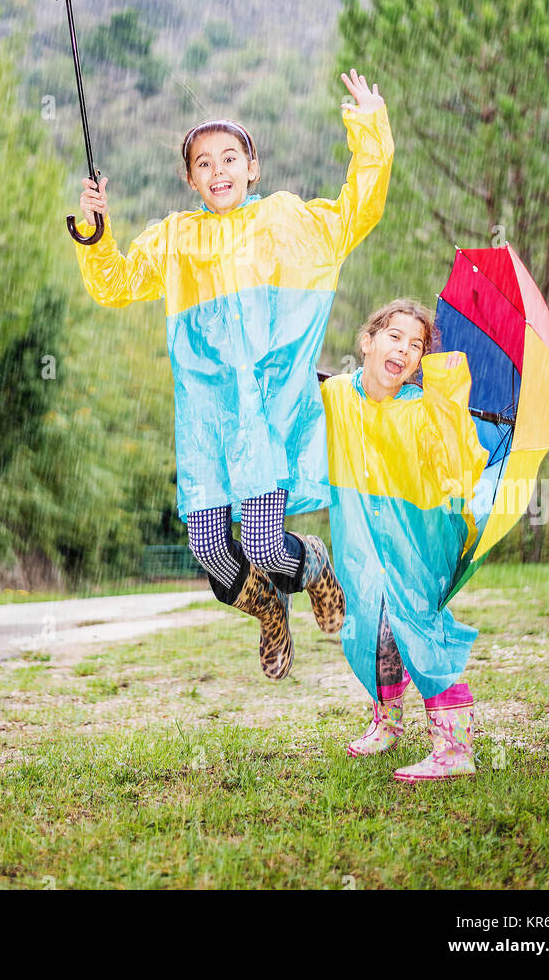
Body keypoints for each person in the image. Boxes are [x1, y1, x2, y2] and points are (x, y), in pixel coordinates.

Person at [73, 70, 393, 680]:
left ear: (253, 167)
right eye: (203, 163)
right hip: (205, 419)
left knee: (271, 546)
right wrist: (94, 231)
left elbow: (356, 212)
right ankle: (271, 612)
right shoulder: (173, 239)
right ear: (189, 178)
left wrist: (370, 128)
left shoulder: (285, 221)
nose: (217, 171)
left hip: (266, 414)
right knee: (214, 554)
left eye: (229, 158)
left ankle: (314, 563)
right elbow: (114, 284)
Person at [321, 301, 489, 780]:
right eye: (395, 336)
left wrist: (448, 396)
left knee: (417, 623)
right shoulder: (336, 395)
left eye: (416, 345)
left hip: (419, 535)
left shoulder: (422, 411)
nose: (405, 349)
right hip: (362, 534)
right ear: (367, 342)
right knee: (373, 625)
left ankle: (454, 748)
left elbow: (458, 465)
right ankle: (387, 722)